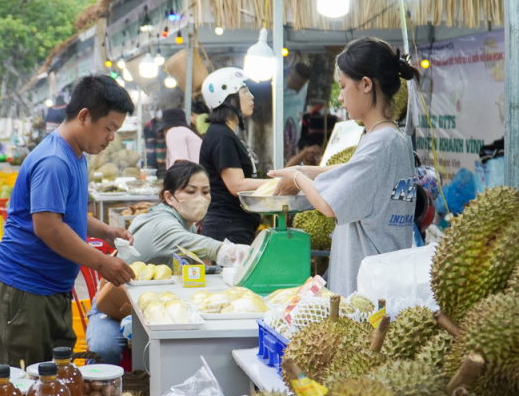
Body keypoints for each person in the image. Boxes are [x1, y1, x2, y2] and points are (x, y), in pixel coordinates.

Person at [0, 75, 136, 368]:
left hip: (49, 289)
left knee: (50, 380)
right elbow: (48, 227)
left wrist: (104, 230)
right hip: (23, 290)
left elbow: (68, 213)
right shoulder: (54, 161)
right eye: (109, 128)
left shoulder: (75, 154)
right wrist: (101, 263)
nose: (111, 138)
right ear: (84, 116)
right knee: (21, 385)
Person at [269, 37, 419, 296]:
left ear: (365, 84)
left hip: (366, 294)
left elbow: (327, 206)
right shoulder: (394, 139)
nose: (339, 97)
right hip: (383, 284)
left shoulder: (379, 144)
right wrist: (305, 171)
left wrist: (297, 178)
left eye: (342, 86)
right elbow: (355, 173)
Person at [86, 162, 250, 364]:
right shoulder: (163, 226)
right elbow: (204, 245)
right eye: (191, 191)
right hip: (111, 304)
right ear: (169, 197)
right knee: (105, 351)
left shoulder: (183, 222)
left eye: (205, 192)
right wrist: (238, 252)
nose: (200, 198)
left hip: (145, 303)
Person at [199, 67, 267, 245]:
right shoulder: (222, 136)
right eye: (245, 91)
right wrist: (277, 183)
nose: (251, 96)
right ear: (229, 99)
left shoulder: (227, 134)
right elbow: (236, 185)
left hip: (233, 225)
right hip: (227, 227)